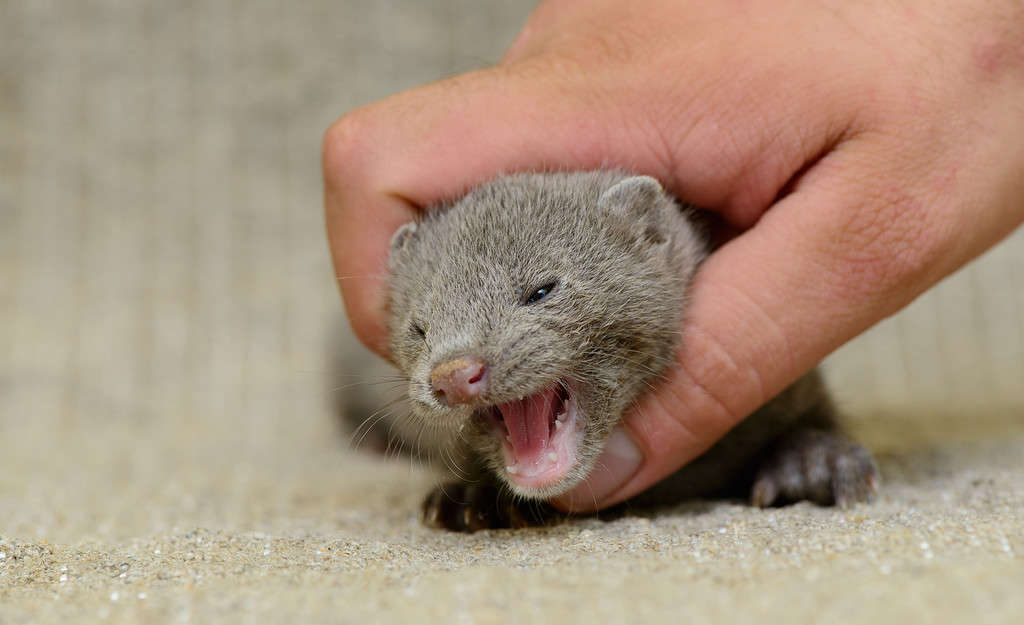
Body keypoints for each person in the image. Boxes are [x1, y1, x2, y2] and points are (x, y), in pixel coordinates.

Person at [322, 0, 1024, 512]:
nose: (453, 366)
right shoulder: (454, 373)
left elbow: (794, 411)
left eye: (539, 294)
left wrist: (811, 445)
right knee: (356, 378)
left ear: (649, 238)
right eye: (421, 333)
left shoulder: (749, 344)